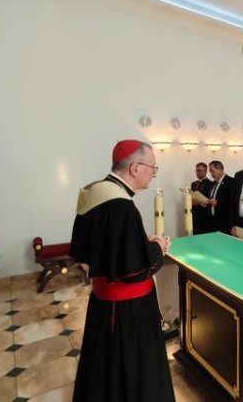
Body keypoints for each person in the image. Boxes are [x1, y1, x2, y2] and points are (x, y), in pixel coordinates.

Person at [69, 140, 174, 401]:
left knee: (103, 368)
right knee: (132, 370)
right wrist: (157, 248)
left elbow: (88, 250)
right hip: (128, 311)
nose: (153, 172)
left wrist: (140, 245)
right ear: (135, 168)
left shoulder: (94, 191)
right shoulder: (121, 206)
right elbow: (136, 270)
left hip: (102, 302)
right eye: (152, 167)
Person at [206, 160, 234, 235]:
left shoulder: (231, 182)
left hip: (224, 221)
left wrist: (218, 202)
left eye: (212, 171)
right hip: (212, 220)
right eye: (210, 172)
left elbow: (233, 201)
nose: (211, 174)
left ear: (220, 169)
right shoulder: (213, 183)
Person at [190, 162, 213, 234]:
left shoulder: (211, 183)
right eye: (196, 171)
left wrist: (199, 202)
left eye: (199, 170)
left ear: (205, 171)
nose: (197, 172)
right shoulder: (193, 184)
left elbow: (209, 200)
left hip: (204, 214)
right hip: (194, 213)